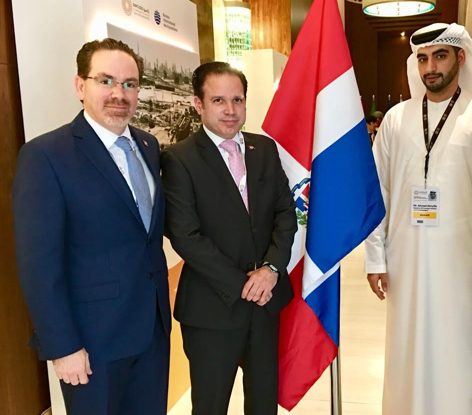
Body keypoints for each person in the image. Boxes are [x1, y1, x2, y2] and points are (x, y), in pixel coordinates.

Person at [12, 38, 170, 415]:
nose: (119, 93)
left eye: (130, 84)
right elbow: (39, 264)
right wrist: (62, 346)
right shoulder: (46, 155)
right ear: (80, 86)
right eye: (106, 80)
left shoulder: (148, 146)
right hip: (92, 345)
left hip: (152, 332)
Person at [365, 23, 472, 415]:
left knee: (463, 353)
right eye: (423, 59)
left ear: (460, 58)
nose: (430, 67)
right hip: (406, 262)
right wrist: (376, 258)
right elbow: (378, 192)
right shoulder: (396, 119)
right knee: (407, 351)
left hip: (468, 265)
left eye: (440, 56)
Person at [161, 62, 297, 415]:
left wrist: (270, 270)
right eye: (218, 100)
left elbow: (285, 213)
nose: (230, 110)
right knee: (210, 406)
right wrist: (245, 285)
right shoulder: (178, 159)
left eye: (237, 99)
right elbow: (185, 235)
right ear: (198, 103)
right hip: (212, 309)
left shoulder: (264, 149)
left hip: (265, 304)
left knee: (264, 404)